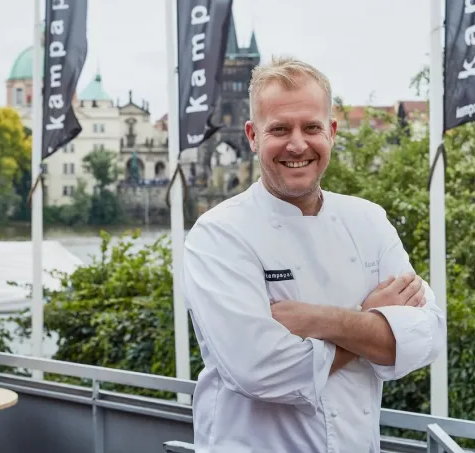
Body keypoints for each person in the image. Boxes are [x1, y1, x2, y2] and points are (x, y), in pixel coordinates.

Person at [182, 56, 447, 453]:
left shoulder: (369, 220)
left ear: (332, 132)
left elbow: (428, 334)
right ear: (253, 136)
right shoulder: (219, 234)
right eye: (279, 129)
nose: (297, 144)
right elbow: (260, 370)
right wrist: (371, 323)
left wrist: (318, 319)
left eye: (311, 127)